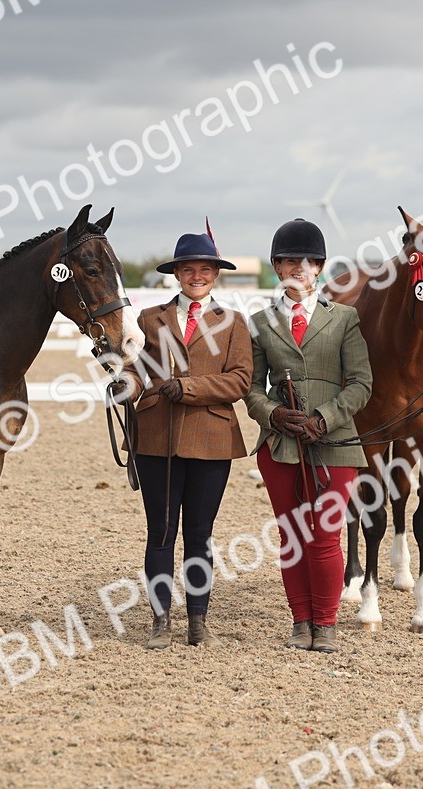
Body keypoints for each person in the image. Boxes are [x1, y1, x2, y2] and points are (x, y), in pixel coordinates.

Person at [115, 225, 253, 649]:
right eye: (189, 269)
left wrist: (189, 388)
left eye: (204, 269)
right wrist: (124, 386)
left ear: (215, 274)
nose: (197, 276)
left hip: (211, 439)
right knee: (160, 532)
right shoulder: (148, 318)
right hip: (157, 437)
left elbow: (240, 380)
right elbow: (136, 372)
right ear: (177, 274)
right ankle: (160, 620)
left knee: (199, 533)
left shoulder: (233, 323)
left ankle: (198, 620)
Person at [244, 219, 373, 654]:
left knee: (325, 537)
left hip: (334, 444)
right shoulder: (260, 323)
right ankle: (301, 621)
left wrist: (323, 418)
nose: (299, 267)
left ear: (319, 267)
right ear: (277, 267)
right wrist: (274, 414)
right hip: (280, 445)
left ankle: (327, 623)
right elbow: (250, 387)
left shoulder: (346, 319)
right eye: (289, 260)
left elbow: (361, 383)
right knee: (292, 537)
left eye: (308, 260)